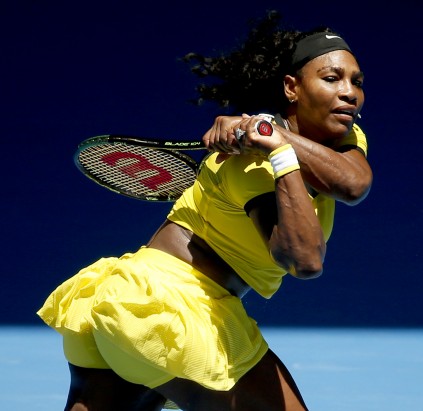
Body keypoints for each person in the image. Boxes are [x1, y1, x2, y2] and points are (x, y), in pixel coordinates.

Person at [37, 10, 372, 411]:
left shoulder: (344, 135)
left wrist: (273, 133)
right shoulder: (249, 166)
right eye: (332, 78)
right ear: (292, 88)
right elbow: (304, 259)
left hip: (127, 301)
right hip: (169, 309)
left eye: (357, 81)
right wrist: (280, 153)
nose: (349, 92)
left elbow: (352, 185)